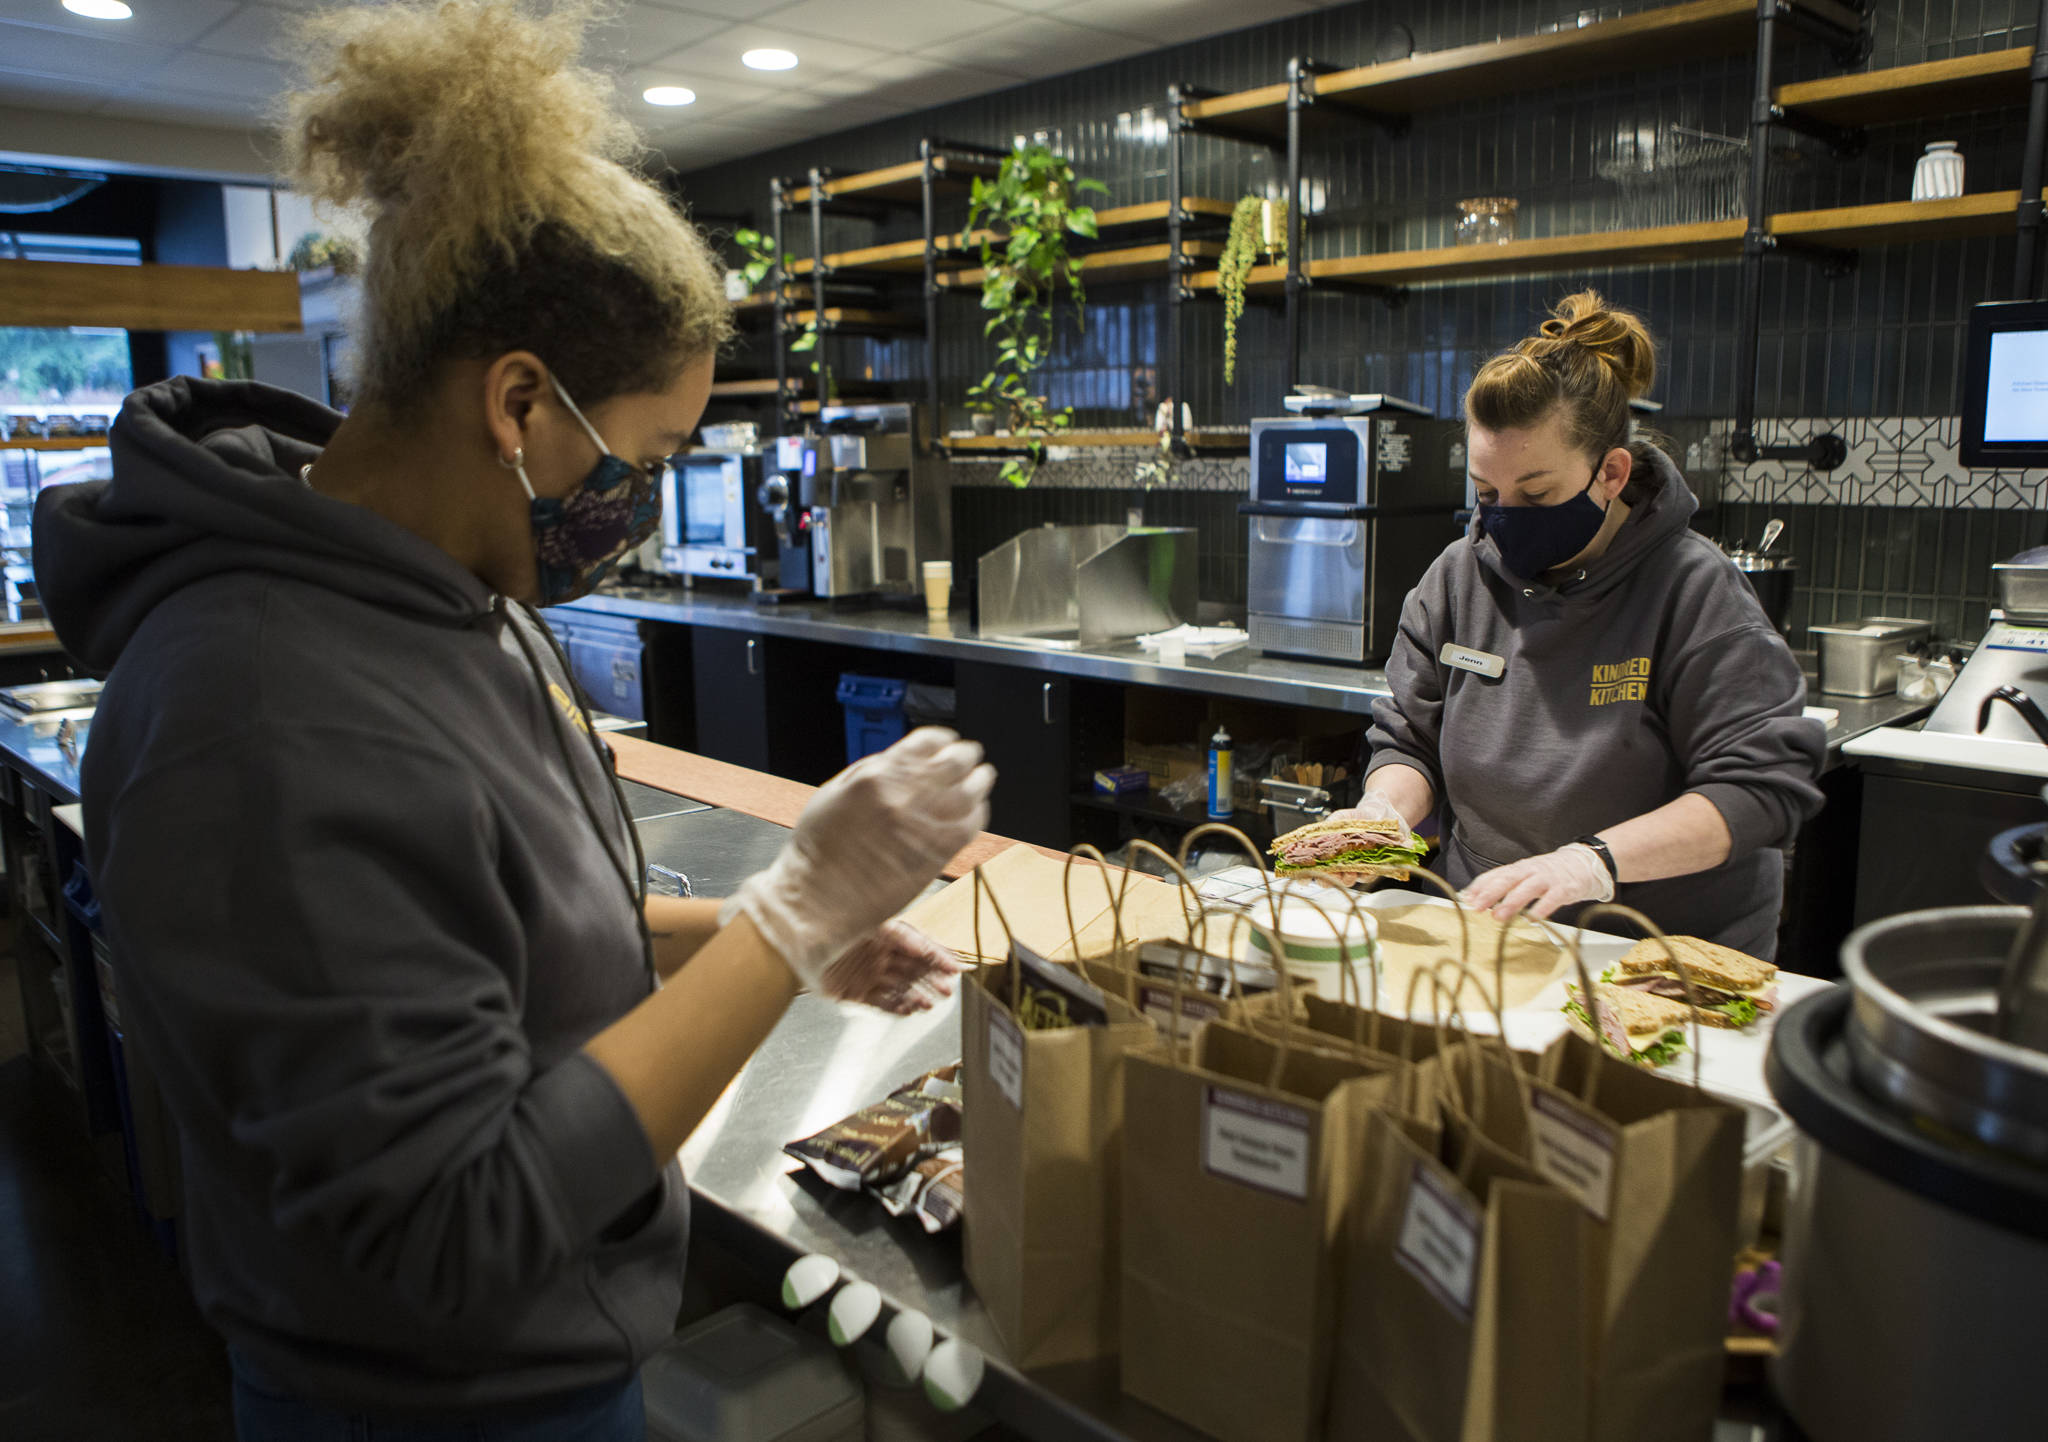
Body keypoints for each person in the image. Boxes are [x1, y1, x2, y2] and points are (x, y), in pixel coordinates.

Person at [31, 3, 992, 1438]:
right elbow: (456, 1230)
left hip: (564, 1356)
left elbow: (495, 935)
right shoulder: (255, 707)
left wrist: (773, 945)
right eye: (648, 455)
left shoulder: (458, 589)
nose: (643, 506)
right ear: (519, 404)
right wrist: (792, 910)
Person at [1345, 291, 1824, 958]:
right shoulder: (1457, 580)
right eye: (1487, 493)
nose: (1504, 516)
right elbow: (1409, 742)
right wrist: (1383, 813)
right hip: (1493, 938)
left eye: (1536, 493)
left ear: (1611, 473)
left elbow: (1760, 789)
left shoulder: (1694, 592)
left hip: (1658, 958)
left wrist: (1589, 864)